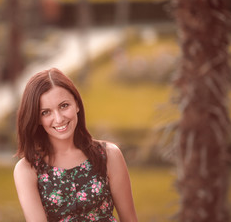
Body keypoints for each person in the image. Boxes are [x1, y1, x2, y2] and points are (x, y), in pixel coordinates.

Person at [14, 68, 138, 222]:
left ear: (77, 105)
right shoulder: (27, 169)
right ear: (37, 118)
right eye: (46, 112)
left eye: (64, 106)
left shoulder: (109, 155)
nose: (58, 119)